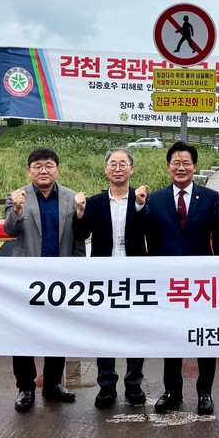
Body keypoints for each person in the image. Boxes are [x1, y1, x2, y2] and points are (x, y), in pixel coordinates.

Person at [145, 141, 219, 415]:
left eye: (186, 163)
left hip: (202, 280)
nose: (181, 168)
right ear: (168, 167)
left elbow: (218, 237)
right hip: (168, 281)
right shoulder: (156, 198)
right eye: (176, 163)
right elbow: (149, 237)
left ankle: (205, 392)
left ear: (195, 167)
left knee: (204, 336)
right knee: (171, 336)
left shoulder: (209, 197)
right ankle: (172, 391)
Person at [4, 147, 86, 412]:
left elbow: (78, 239)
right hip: (26, 278)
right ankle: (25, 387)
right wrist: (17, 210)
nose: (43, 170)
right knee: (22, 333)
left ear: (57, 169)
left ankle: (52, 384)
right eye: (37, 166)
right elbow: (10, 230)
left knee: (57, 332)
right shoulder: (18, 196)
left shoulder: (72, 198)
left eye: (49, 165)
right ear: (29, 170)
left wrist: (79, 272)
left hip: (61, 277)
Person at [72, 147, 149, 409]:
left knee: (136, 330)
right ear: (106, 169)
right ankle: (106, 385)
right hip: (103, 276)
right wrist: (80, 212)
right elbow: (81, 234)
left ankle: (134, 383)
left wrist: (140, 206)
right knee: (104, 329)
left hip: (135, 274)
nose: (118, 168)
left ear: (132, 169)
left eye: (123, 164)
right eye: (113, 164)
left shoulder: (141, 199)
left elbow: (149, 230)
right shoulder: (94, 202)